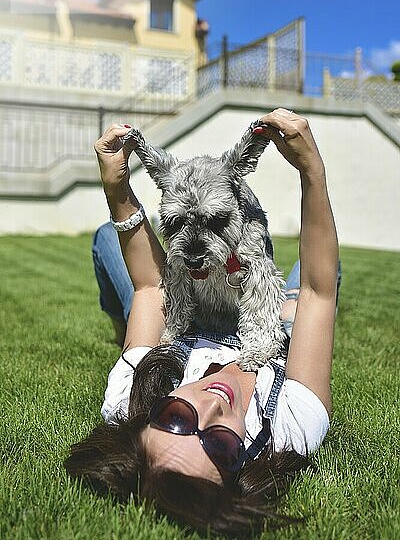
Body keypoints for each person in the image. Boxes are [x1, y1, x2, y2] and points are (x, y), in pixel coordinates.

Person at [65, 109, 340, 536]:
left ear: (150, 415)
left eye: (177, 417)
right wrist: (312, 172)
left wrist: (116, 186)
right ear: (241, 468)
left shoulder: (130, 400)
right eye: (220, 444)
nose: (213, 405)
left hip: (182, 322)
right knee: (318, 278)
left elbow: (149, 288)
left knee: (107, 235)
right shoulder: (289, 431)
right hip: (264, 335)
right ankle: (280, 303)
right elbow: (319, 293)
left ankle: (132, 341)